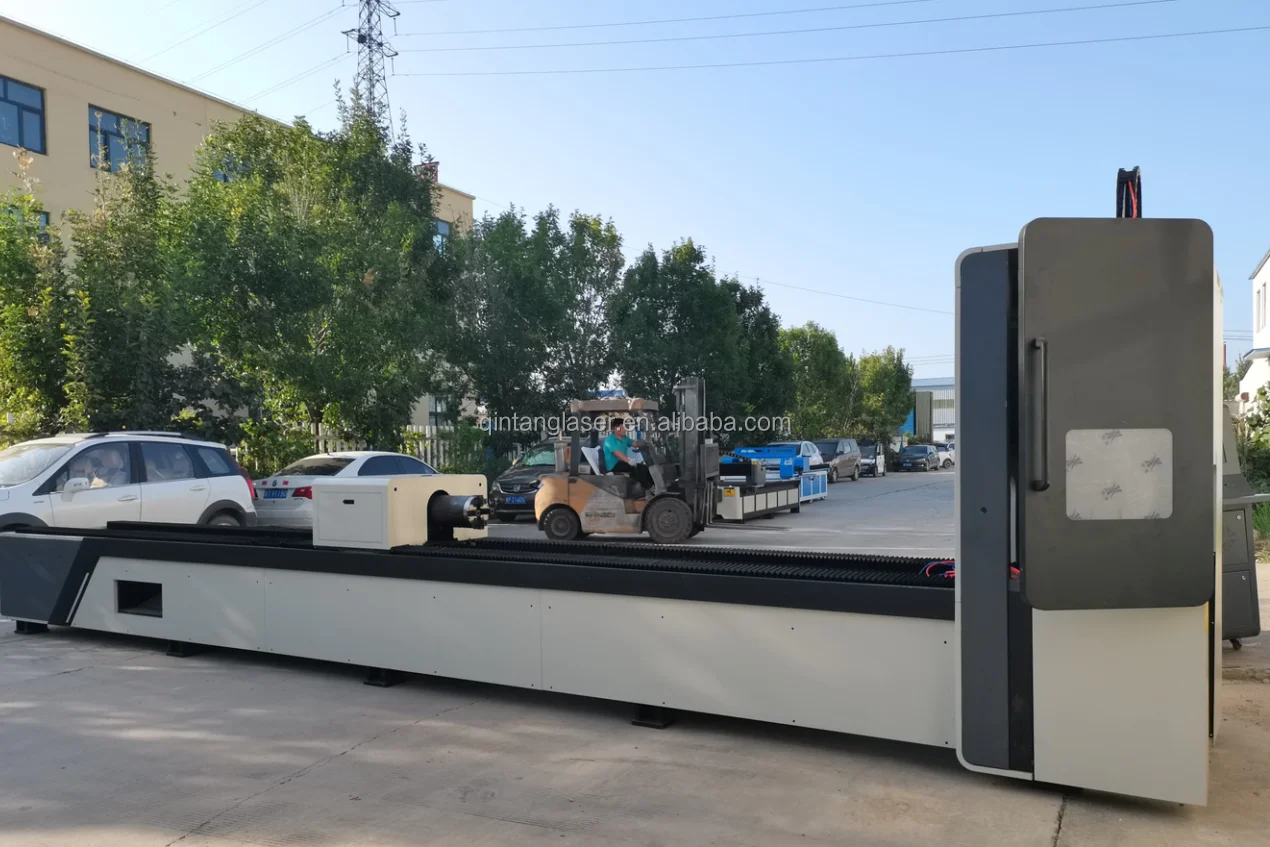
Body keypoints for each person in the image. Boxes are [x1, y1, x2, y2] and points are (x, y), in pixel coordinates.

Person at [602, 417, 654, 490]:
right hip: (614, 466)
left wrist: (646, 442)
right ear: (616, 428)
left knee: (644, 467)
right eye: (623, 427)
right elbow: (617, 453)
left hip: (623, 463)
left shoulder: (624, 438)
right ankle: (645, 488)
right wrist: (629, 461)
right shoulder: (610, 440)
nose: (625, 429)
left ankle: (653, 487)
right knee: (636, 468)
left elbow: (635, 443)